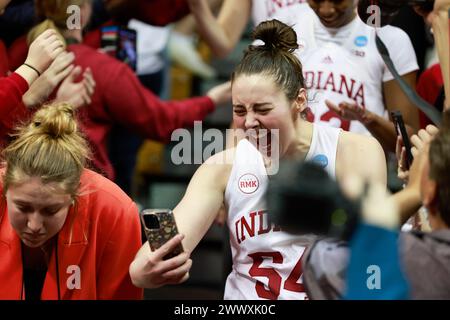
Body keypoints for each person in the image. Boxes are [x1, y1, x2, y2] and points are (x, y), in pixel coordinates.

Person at [129, 20, 386, 300]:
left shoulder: (356, 151)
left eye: (262, 109)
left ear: (299, 101)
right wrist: (145, 270)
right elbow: (150, 258)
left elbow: (374, 251)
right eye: (240, 109)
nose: (249, 122)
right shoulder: (222, 168)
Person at [11, 0, 231, 182]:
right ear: (85, 10)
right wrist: (212, 100)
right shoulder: (103, 70)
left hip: (23, 179)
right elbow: (161, 120)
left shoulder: (16, 54)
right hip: (82, 182)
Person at [188, 0, 420, 152]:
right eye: (317, 0)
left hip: (354, 176)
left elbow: (409, 138)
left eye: (337, 0)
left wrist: (368, 119)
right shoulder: (280, 29)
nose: (326, 9)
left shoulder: (390, 39)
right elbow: (244, 118)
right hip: (286, 175)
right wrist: (228, 176)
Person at [0, 102, 143, 300]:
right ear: (4, 189)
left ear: (74, 196)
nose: (34, 225)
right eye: (23, 207)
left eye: (50, 211)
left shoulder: (115, 211)